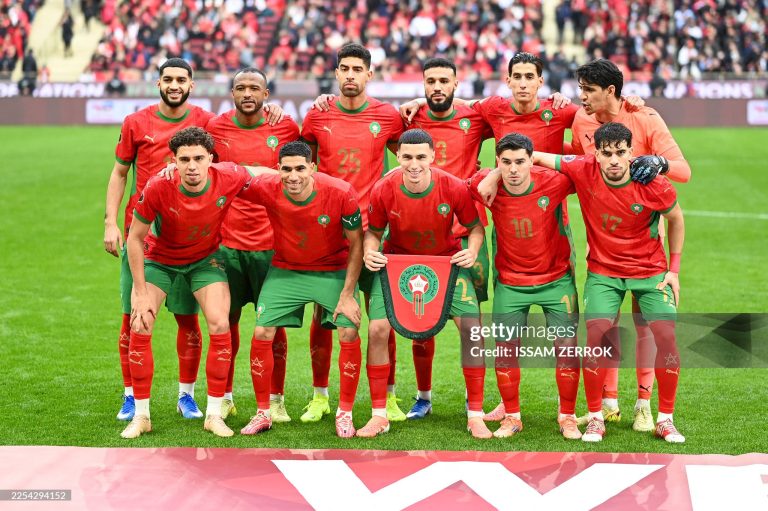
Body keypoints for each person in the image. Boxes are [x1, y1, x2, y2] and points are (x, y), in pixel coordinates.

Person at [534, 122, 685, 444]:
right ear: (595, 154)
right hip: (604, 274)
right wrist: (492, 173)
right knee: (596, 336)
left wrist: (673, 271)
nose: (614, 160)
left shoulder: (654, 183)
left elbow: (676, 220)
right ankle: (596, 418)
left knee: (667, 338)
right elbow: (532, 156)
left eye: (620, 153)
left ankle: (666, 419)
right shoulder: (582, 167)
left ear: (631, 152)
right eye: (606, 154)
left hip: (650, 273)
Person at [121, 127, 276, 439]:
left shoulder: (228, 175)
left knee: (220, 323)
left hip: (205, 260)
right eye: (184, 159)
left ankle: (214, 414)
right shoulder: (158, 186)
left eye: (198, 158)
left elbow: (259, 172)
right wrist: (139, 292)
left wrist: (292, 176)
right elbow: (135, 238)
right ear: (174, 161)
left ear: (211, 160)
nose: (191, 166)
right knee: (140, 324)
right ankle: (141, 416)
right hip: (159, 259)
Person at [571, 58, 691, 432]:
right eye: (580, 90)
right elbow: (574, 161)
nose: (583, 98)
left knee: (646, 328)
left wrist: (658, 162)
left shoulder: (645, 118)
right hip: (604, 248)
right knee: (603, 329)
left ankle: (644, 404)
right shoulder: (581, 120)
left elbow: (683, 171)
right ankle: (606, 404)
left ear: (610, 91)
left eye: (588, 90)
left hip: (645, 249)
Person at [360, 129, 491, 439]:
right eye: (407, 157)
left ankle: (475, 414)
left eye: (421, 157)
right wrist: (369, 251)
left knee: (473, 329)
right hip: (396, 266)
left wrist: (471, 251)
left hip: (446, 264)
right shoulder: (383, 189)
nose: (414, 164)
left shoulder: (453, 186)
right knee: (377, 330)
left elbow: (475, 229)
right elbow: (374, 233)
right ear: (398, 157)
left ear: (433, 156)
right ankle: (379, 414)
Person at [300, 43, 406, 423]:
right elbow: (301, 164)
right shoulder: (317, 115)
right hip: (329, 232)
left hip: (375, 231)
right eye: (343, 68)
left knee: (383, 315)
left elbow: (408, 158)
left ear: (369, 74)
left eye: (356, 69)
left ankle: (389, 396)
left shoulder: (388, 117)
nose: (349, 75)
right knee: (323, 314)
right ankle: (320, 396)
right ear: (336, 73)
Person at [104, 58, 213, 423]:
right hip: (143, 238)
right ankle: (131, 395)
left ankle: (187, 395)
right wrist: (110, 222)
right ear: (158, 82)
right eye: (168, 79)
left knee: (187, 319)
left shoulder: (206, 122)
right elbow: (120, 173)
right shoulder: (136, 122)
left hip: (188, 238)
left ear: (192, 84)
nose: (174, 84)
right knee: (132, 318)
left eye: (181, 79)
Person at [238, 141, 364, 439]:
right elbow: (232, 174)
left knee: (348, 330)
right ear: (277, 169)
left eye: (299, 169)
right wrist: (178, 168)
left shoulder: (341, 192)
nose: (293, 176)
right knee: (262, 332)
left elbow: (357, 243)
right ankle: (263, 412)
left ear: (313, 168)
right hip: (286, 269)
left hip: (331, 271)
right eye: (286, 169)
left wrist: (347, 295)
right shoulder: (268, 187)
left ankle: (344, 414)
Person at [468, 133, 582, 440]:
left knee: (567, 351)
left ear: (531, 161)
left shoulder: (555, 182)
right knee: (504, 352)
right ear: (497, 164)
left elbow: (589, 170)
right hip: (511, 284)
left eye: (520, 162)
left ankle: (568, 417)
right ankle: (512, 417)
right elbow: (455, 188)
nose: (514, 169)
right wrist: (492, 176)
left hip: (556, 281)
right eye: (505, 163)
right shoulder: (485, 186)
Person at [204, 67, 300, 422]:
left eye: (254, 88)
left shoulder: (286, 128)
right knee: (226, 324)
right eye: (241, 87)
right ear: (231, 93)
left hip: (272, 243)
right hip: (226, 243)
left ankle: (276, 399)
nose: (248, 93)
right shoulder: (215, 129)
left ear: (266, 94)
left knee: (273, 327)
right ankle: (226, 396)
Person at [399, 57, 492, 419]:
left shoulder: (476, 118)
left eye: (444, 81)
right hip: (419, 239)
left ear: (456, 83)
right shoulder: (408, 119)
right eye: (430, 81)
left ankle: (476, 403)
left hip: (464, 237)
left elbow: (512, 117)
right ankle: (423, 397)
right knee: (421, 325)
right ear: (422, 84)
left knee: (470, 326)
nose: (437, 87)